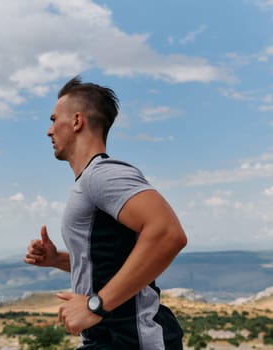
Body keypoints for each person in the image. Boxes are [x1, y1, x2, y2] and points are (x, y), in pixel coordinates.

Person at [24, 76, 188, 349]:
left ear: (76, 121)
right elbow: (109, 263)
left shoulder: (103, 175)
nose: (49, 131)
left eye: (54, 120)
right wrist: (58, 259)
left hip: (133, 341)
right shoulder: (92, 180)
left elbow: (168, 233)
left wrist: (95, 305)